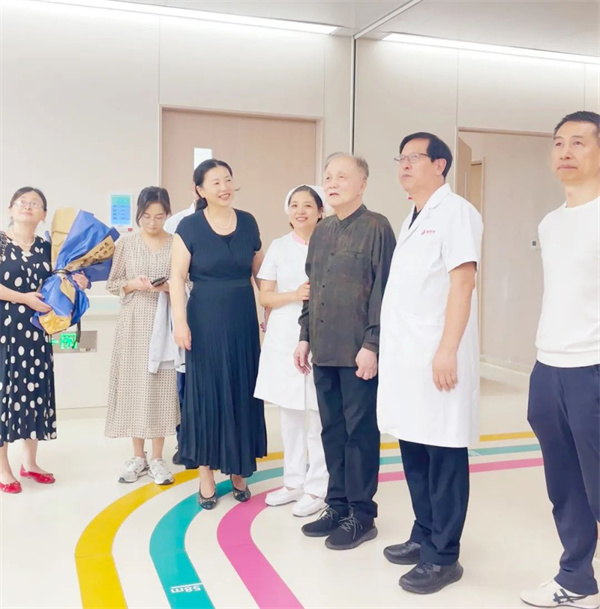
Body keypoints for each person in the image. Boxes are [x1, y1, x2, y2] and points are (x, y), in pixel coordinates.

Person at [377, 132, 483, 595]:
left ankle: (444, 556)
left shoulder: (457, 212)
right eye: (400, 158)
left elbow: (463, 283)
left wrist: (446, 349)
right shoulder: (414, 217)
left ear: (440, 165)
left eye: (414, 157)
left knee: (443, 452)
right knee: (415, 446)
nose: (404, 165)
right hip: (408, 358)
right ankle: (424, 533)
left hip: (438, 355)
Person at [294, 154, 396, 549]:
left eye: (342, 176)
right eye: (328, 177)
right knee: (331, 430)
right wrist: (305, 336)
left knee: (360, 434)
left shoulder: (377, 228)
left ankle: (362, 515)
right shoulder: (321, 231)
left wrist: (373, 344)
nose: (332, 183)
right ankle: (336, 505)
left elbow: (384, 292)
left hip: (358, 353)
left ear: (362, 184)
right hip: (324, 349)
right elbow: (312, 287)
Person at [520, 111, 600, 609]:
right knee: (565, 484)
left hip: (594, 366)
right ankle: (575, 577)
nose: (565, 152)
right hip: (549, 367)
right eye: (558, 143)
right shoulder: (550, 223)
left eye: (579, 142)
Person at [170, 159, 267, 509]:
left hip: (242, 318)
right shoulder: (189, 226)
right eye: (215, 182)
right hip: (205, 319)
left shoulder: (249, 222)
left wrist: (268, 310)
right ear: (199, 189)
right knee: (207, 394)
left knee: (241, 390)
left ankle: (239, 469)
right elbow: (176, 277)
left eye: (228, 179)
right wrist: (180, 323)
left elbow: (259, 272)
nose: (224, 187)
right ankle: (206, 473)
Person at [0, 187, 88, 494]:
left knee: (33, 393)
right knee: (4, 395)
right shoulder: (0, 242)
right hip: (4, 332)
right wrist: (23, 298)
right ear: (11, 208)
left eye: (34, 203)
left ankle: (30, 462)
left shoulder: (48, 248)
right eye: (22, 202)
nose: (27, 206)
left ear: (44, 215)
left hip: (37, 333)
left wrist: (77, 280)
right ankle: (3, 468)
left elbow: (60, 280)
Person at [255, 185, 328, 518]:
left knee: (317, 415)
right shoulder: (279, 246)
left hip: (320, 334)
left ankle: (318, 487)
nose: (300, 211)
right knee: (289, 414)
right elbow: (265, 296)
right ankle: (293, 481)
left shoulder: (329, 243)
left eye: (308, 205)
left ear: (320, 211)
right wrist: (295, 294)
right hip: (284, 335)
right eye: (294, 205)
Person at [105, 186, 179, 486]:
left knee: (161, 387)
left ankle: (158, 457)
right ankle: (138, 456)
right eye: (147, 216)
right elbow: (113, 283)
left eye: (159, 216)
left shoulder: (176, 243)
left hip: (164, 321)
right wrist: (133, 284)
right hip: (133, 323)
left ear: (167, 214)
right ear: (138, 214)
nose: (152, 222)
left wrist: (167, 287)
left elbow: (187, 283)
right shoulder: (126, 243)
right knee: (134, 387)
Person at [164, 201, 196, 465]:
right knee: (183, 387)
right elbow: (175, 275)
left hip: (212, 313)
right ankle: (185, 442)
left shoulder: (233, 222)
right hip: (182, 313)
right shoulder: (179, 223)